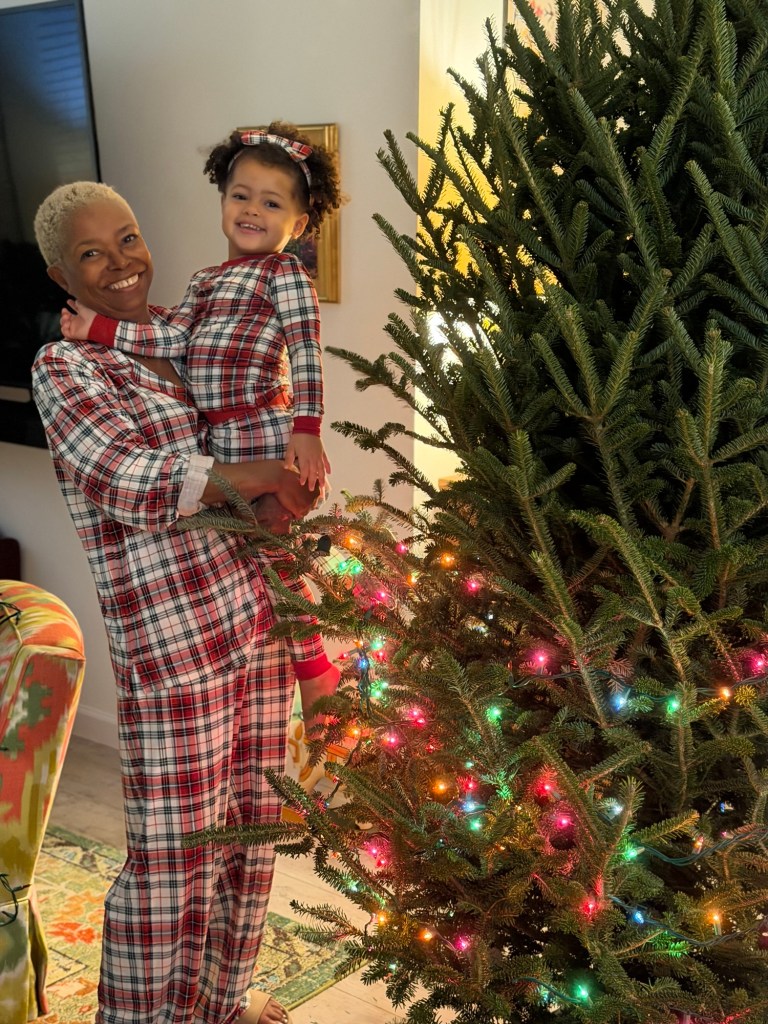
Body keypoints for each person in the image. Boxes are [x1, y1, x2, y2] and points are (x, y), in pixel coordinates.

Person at [31, 180, 313, 1024]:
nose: (120, 263)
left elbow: (254, 390)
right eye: (91, 254)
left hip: (255, 620)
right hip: (174, 649)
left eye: (128, 238)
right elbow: (130, 480)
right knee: (169, 869)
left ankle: (223, 1001)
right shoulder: (64, 367)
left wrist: (293, 446)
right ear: (61, 276)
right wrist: (259, 475)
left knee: (251, 835)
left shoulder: (180, 329)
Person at [61, 122, 344, 737]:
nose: (252, 210)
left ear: (299, 223)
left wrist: (307, 429)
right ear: (222, 200)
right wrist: (97, 330)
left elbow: (306, 349)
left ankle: (316, 669)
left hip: (263, 424)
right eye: (241, 195)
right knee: (253, 552)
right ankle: (311, 667)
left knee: (276, 552)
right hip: (221, 438)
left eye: (272, 204)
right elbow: (171, 338)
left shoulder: (285, 275)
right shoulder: (203, 282)